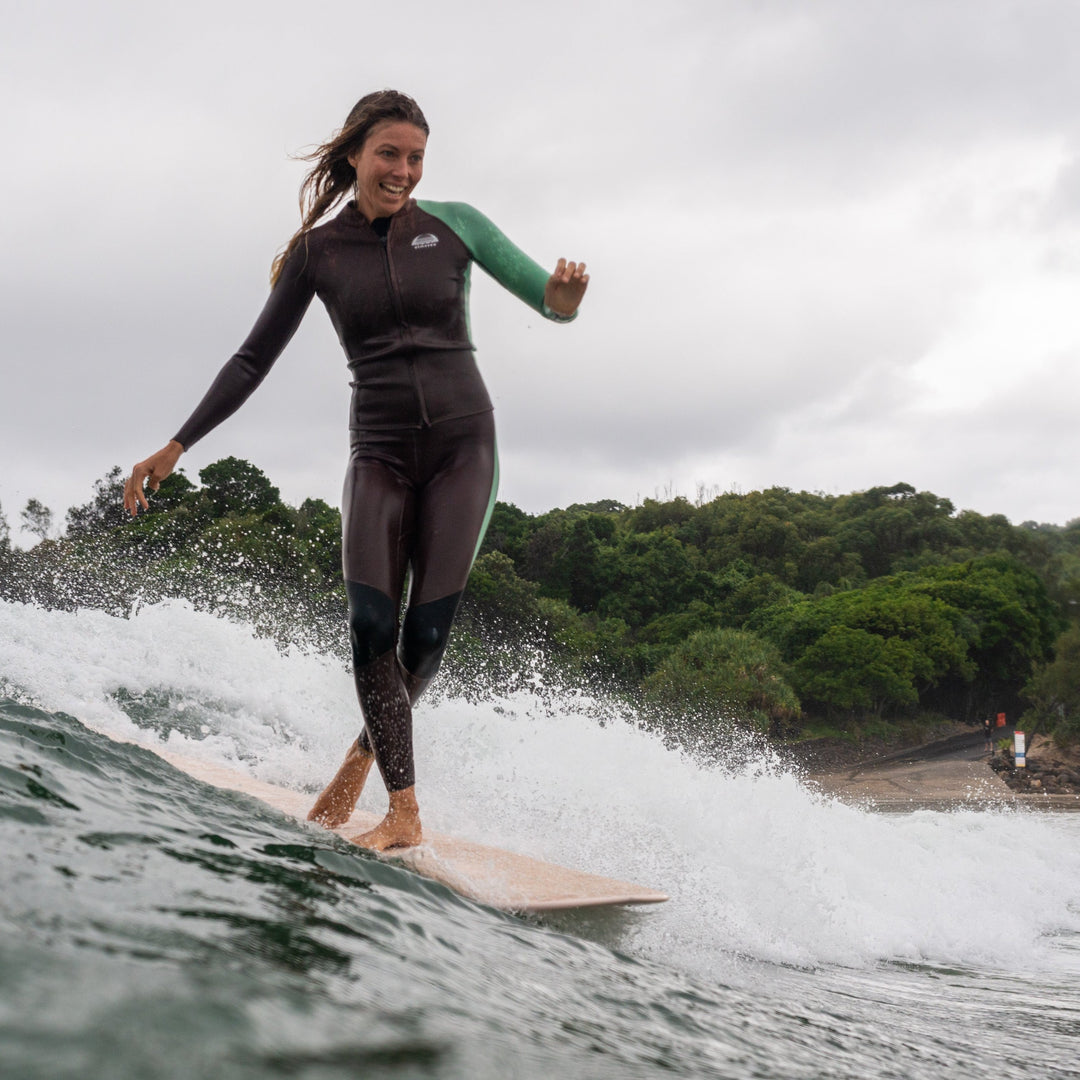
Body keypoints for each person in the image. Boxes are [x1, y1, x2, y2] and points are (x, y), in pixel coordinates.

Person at [123, 90, 588, 850]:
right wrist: (178, 445)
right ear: (353, 156)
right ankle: (404, 812)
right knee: (372, 622)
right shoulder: (317, 253)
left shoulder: (456, 225)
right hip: (378, 451)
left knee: (426, 638)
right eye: (389, 154)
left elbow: (548, 296)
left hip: (464, 449)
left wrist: (564, 302)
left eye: (416, 158)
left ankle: (363, 759)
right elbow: (250, 360)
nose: (404, 170)